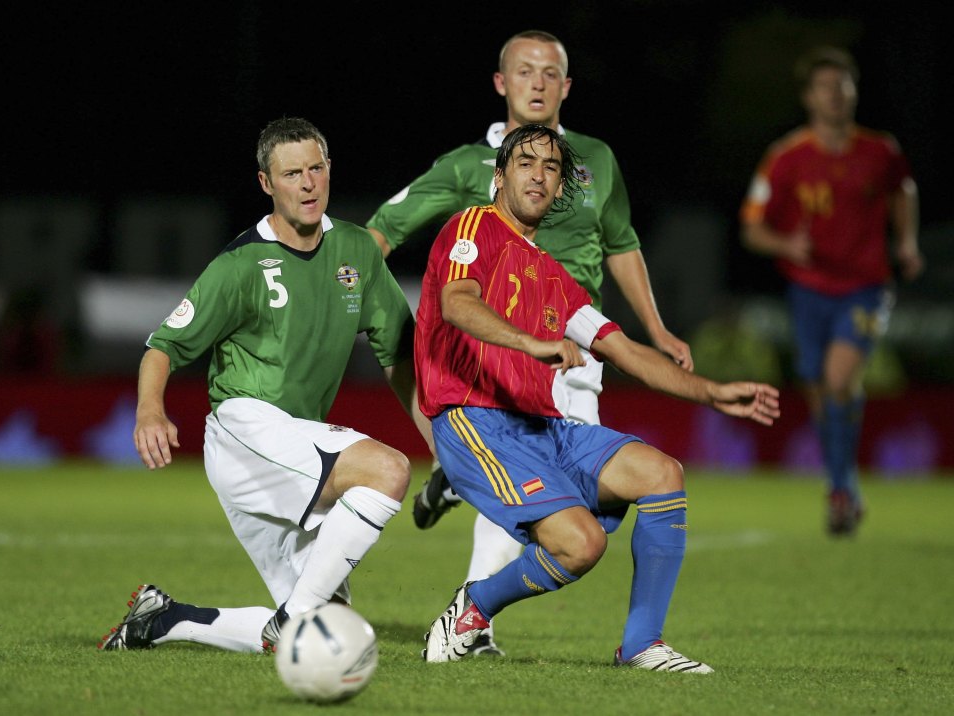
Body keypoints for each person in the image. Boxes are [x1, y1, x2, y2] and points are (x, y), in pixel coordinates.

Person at [367, 29, 692, 655]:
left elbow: (622, 244)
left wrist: (657, 330)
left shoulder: (594, 158)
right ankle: (470, 622)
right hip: (505, 355)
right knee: (537, 506)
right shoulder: (468, 166)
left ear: (567, 86)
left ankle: (458, 497)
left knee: (591, 510)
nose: (538, 83)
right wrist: (351, 292)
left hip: (580, 350)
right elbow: (385, 230)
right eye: (525, 71)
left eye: (550, 73)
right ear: (501, 83)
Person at [416, 123, 780, 672]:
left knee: (662, 473)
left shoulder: (558, 280)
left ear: (561, 188)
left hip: (543, 425)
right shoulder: (475, 226)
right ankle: (475, 607)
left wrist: (712, 393)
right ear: (499, 177)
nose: (539, 175)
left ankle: (641, 645)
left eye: (552, 168)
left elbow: (627, 352)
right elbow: (457, 303)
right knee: (581, 545)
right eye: (525, 163)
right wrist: (530, 342)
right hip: (474, 419)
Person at [98, 117, 432, 654]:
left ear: (329, 170)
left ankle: (165, 620)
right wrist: (149, 410)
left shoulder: (356, 250)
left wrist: (442, 447)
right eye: (292, 173)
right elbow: (163, 346)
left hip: (295, 439)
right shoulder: (241, 265)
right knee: (388, 470)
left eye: (316, 169)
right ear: (266, 183)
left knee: (328, 640)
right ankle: (291, 616)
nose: (307, 183)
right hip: (245, 429)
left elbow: (399, 357)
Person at [740, 46, 923, 536]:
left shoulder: (879, 151)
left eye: (843, 85)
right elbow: (752, 227)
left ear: (854, 92)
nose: (835, 95)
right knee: (821, 390)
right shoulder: (786, 157)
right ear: (808, 97)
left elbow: (903, 190)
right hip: (808, 290)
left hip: (865, 288)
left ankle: (840, 488)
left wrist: (905, 241)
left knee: (837, 380)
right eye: (825, 86)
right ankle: (843, 480)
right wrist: (784, 243)